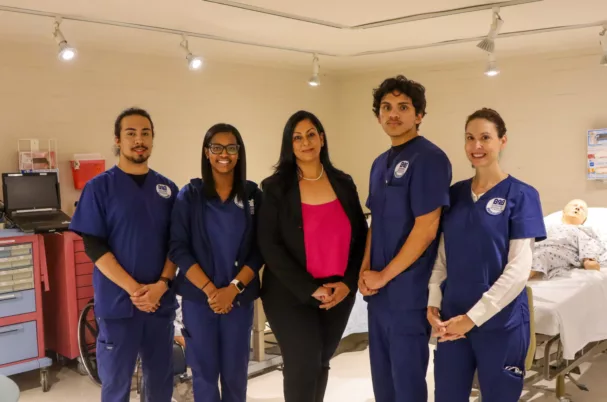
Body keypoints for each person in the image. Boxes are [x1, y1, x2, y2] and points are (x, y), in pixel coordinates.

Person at [427, 108, 547, 402]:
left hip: (500, 321)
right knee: (448, 395)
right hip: (452, 316)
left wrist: (472, 318)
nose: (476, 146)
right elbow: (443, 254)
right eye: (470, 138)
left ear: (502, 141)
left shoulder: (521, 195)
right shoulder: (454, 195)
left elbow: (519, 270)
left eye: (485, 138)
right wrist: (433, 300)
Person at [257, 110, 368, 402]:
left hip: (337, 293)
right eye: (297, 137)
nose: (305, 142)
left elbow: (360, 238)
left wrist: (347, 283)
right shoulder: (275, 188)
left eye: (310, 134)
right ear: (288, 144)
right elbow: (270, 246)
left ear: (322, 138)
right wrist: (311, 289)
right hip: (290, 294)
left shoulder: (343, 183)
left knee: (320, 361)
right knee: (302, 364)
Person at [69, 107, 179, 402]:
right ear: (117, 140)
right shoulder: (99, 188)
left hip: (159, 305)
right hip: (119, 306)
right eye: (130, 133)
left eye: (145, 133)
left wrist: (161, 286)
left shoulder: (167, 190)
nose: (138, 139)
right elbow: (94, 246)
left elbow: (176, 245)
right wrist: (135, 290)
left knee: (160, 384)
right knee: (116, 386)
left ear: (153, 140)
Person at [359, 75, 452, 402]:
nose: (393, 114)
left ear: (419, 115)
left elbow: (427, 229)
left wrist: (384, 275)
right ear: (378, 115)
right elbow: (376, 222)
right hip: (379, 293)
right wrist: (365, 270)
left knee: (407, 379)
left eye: (403, 107)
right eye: (386, 107)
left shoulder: (429, 159)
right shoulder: (378, 164)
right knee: (382, 378)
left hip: (408, 292)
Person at [169, 123, 263, 402]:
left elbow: (260, 249)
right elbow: (178, 248)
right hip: (200, 302)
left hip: (238, 300)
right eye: (217, 147)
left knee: (235, 375)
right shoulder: (191, 196)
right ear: (206, 153)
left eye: (231, 147)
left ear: (239, 152)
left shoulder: (252, 196)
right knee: (204, 375)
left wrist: (232, 289)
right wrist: (212, 291)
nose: (224, 154)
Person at [529, 199, 605, 279]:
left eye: (582, 209)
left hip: (557, 252)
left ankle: (518, 283)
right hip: (535, 248)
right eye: (574, 205)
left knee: (542, 255)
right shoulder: (547, 226)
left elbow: (588, 244)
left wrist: (588, 260)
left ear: (584, 220)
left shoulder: (581, 231)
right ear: (563, 211)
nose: (578, 208)